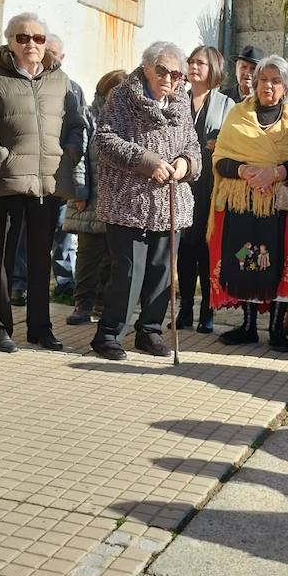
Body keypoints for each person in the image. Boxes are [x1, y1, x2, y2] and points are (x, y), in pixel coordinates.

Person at [0, 12, 85, 353]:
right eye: (22, 37)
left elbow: (77, 123)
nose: (31, 44)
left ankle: (40, 328)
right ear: (10, 42)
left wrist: (70, 153)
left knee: (40, 260)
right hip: (5, 183)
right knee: (2, 261)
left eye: (37, 38)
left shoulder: (60, 80)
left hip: (48, 184)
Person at [89, 43, 201, 361]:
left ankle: (149, 332)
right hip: (129, 202)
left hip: (170, 203)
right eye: (162, 70)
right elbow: (105, 139)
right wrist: (147, 160)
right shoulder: (123, 97)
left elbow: (193, 146)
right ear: (147, 67)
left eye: (176, 73)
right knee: (128, 272)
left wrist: (186, 164)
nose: (168, 78)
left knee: (162, 272)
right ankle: (108, 335)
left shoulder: (181, 103)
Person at [208, 55, 288, 352]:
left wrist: (276, 172)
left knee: (280, 264)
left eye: (276, 81)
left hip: (280, 205)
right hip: (243, 202)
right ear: (254, 84)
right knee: (247, 259)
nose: (268, 85)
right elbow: (221, 159)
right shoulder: (237, 115)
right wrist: (245, 171)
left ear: (285, 87)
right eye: (263, 80)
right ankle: (248, 326)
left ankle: (277, 330)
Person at [178, 45, 235, 332]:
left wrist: (221, 143)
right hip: (183, 185)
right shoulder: (178, 99)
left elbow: (237, 143)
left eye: (200, 62)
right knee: (185, 249)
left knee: (207, 249)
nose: (193, 66)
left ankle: (207, 311)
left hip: (212, 187)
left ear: (213, 68)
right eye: (191, 61)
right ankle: (185, 309)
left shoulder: (227, 105)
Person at [65, 70, 125, 326]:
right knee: (88, 255)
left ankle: (103, 304)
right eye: (115, 90)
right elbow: (78, 157)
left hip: (118, 201)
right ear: (104, 90)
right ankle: (83, 305)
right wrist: (79, 192)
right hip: (91, 197)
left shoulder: (128, 118)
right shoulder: (89, 116)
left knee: (113, 258)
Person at [48, 33, 81, 299]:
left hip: (62, 172)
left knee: (64, 232)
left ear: (63, 57)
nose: (51, 58)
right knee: (26, 233)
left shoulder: (74, 88)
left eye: (55, 54)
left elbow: (79, 128)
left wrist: (72, 154)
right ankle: (19, 284)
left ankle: (65, 283)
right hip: (34, 173)